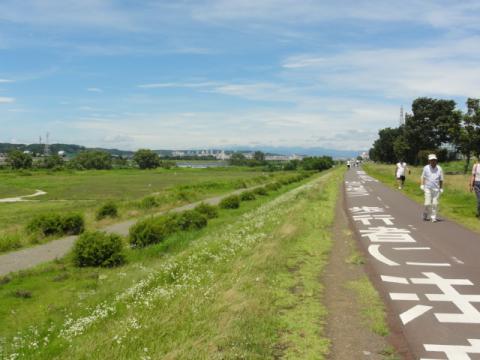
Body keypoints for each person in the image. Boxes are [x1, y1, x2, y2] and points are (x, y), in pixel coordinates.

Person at [420, 154, 444, 222]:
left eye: (434, 160)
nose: (433, 161)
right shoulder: (426, 168)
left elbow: (441, 179)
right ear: (429, 161)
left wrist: (441, 188)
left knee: (435, 204)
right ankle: (425, 213)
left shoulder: (439, 168)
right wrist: (422, 184)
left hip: (436, 189)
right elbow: (422, 177)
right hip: (427, 188)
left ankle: (433, 217)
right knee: (427, 203)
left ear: (436, 160)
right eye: (431, 160)